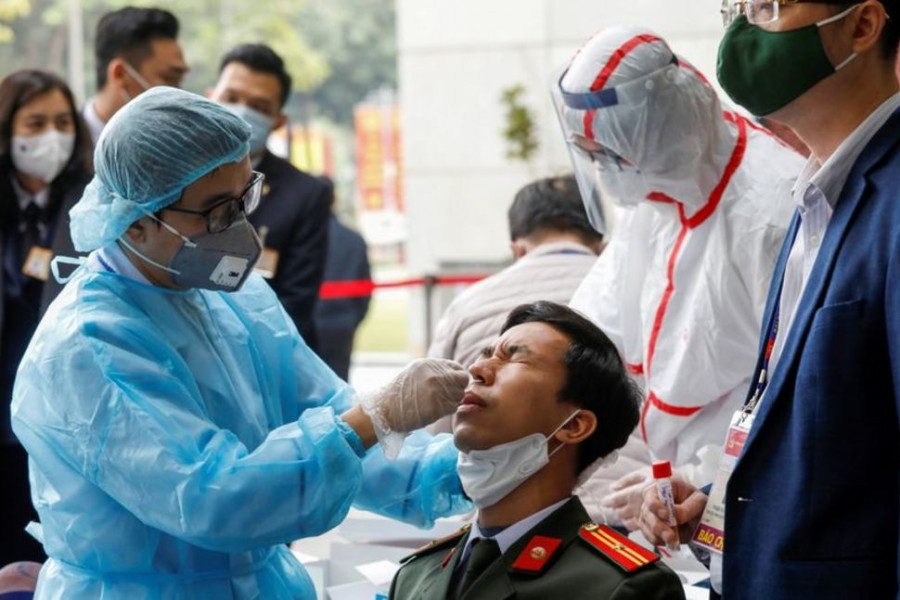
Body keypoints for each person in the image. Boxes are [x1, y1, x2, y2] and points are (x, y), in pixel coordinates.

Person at [10, 87, 472, 598]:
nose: (238, 227)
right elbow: (212, 499)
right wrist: (375, 417)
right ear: (137, 224)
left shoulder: (233, 298)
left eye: (243, 198)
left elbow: (328, 413)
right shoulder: (89, 343)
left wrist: (463, 468)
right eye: (215, 210)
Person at [641, 1, 900, 597]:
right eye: (735, 8)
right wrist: (723, 502)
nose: (738, 33)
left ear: (862, 26)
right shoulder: (816, 195)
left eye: (767, 8)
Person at [552, 26, 806, 529]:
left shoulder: (772, 213)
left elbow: (793, 397)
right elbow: (598, 326)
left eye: (611, 154)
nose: (607, 173)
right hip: (674, 498)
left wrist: (706, 483)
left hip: (752, 499)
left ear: (661, 128)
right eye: (590, 156)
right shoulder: (660, 193)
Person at [391, 301, 684, 600]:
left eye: (514, 359)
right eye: (486, 356)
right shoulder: (415, 576)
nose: (477, 370)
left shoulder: (621, 588)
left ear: (574, 425)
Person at [0, 69, 93, 565]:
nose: (51, 135)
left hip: (58, 412)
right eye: (35, 123)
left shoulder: (88, 200)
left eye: (62, 121)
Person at [209, 43, 331, 350]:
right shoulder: (175, 173)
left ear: (278, 120)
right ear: (211, 97)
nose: (241, 111)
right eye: (231, 98)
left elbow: (296, 303)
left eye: (259, 107)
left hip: (268, 354)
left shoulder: (304, 194)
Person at [428, 175, 604, 369]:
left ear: (517, 250)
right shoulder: (624, 295)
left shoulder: (466, 304)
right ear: (601, 247)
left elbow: (433, 386)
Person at [83, 6, 187, 144]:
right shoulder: (64, 147)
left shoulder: (174, 144)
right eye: (169, 79)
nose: (179, 93)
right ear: (120, 74)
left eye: (180, 80)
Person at [314, 176, 372, 381]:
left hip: (309, 322)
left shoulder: (303, 239)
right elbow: (366, 287)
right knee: (339, 383)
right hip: (342, 322)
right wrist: (352, 318)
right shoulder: (353, 239)